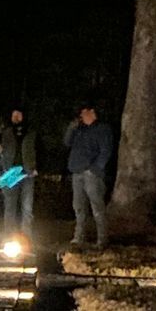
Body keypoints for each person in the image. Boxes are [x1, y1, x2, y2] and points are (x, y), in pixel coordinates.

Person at [64, 102, 113, 247]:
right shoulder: (79, 130)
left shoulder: (102, 129)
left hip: (91, 174)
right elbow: (67, 142)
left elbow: (106, 150)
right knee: (78, 207)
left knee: (97, 206)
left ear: (92, 112)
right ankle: (79, 237)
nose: (81, 117)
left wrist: (95, 168)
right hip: (77, 171)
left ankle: (102, 239)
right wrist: (71, 128)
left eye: (84, 113)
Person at [0, 106, 37, 233]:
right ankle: (9, 237)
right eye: (14, 115)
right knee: (10, 207)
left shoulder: (31, 133)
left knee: (27, 208)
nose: (16, 118)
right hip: (11, 172)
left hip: (27, 172)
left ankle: (26, 237)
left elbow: (40, 150)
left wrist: (37, 167)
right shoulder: (5, 133)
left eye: (18, 115)